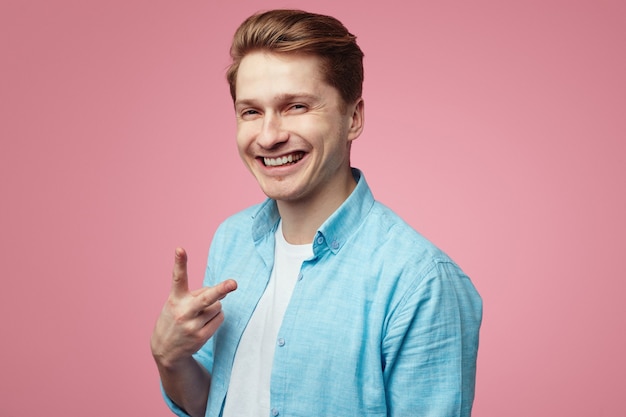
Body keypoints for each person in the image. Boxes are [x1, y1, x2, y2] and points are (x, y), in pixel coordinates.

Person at [151, 9, 482, 417]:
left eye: (296, 106)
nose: (269, 136)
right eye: (250, 112)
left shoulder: (420, 281)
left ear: (353, 118)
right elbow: (215, 402)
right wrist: (171, 358)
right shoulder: (231, 239)